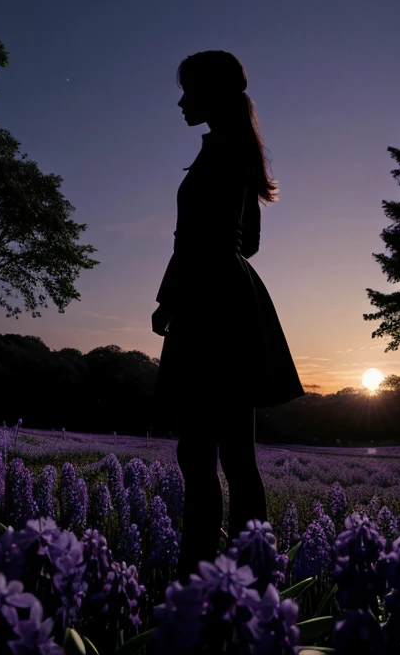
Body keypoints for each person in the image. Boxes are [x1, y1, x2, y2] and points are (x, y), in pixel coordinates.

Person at [151, 50, 305, 584]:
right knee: (234, 455)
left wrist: (171, 297)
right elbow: (250, 241)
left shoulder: (222, 154)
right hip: (230, 298)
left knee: (201, 455)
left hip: (209, 302)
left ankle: (198, 581)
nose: (181, 101)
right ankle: (248, 581)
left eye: (189, 91)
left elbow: (197, 240)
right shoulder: (232, 150)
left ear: (211, 93)